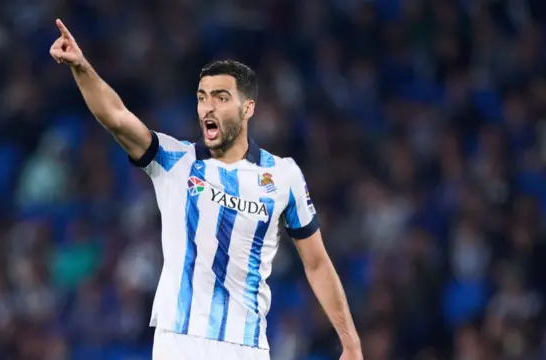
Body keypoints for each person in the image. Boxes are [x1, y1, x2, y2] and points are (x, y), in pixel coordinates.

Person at [49, 19, 363, 360]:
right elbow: (116, 116)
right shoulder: (174, 161)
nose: (208, 107)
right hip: (177, 341)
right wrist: (81, 67)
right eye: (202, 98)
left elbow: (316, 262)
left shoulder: (283, 175)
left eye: (220, 97)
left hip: (245, 346)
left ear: (248, 108)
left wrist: (350, 341)